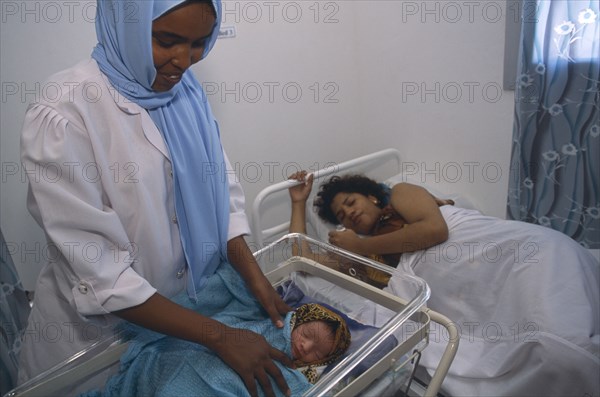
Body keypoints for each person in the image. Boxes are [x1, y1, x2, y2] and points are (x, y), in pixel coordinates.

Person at [18, 1, 292, 396]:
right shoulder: (66, 110)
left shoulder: (185, 94)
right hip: (92, 344)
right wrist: (220, 337)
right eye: (167, 40)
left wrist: (257, 280)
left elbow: (220, 193)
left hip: (179, 326)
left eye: (199, 43)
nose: (184, 60)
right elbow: (102, 275)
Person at [287, 171, 600, 397]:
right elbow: (299, 253)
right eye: (342, 214)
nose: (350, 213)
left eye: (351, 202)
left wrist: (359, 246)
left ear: (371, 195)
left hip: (515, 254)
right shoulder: (367, 257)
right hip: (467, 293)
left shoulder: (401, 195)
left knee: (564, 339)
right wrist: (298, 202)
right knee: (554, 354)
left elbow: (436, 231)